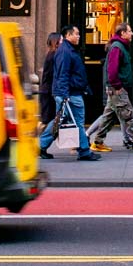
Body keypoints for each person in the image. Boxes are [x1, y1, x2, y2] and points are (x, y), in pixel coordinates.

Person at [88, 23, 133, 154]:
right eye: (130, 31)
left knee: (109, 117)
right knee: (128, 114)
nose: (132, 33)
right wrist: (117, 85)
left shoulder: (119, 47)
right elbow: (112, 70)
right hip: (117, 88)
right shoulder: (117, 48)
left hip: (115, 87)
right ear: (122, 33)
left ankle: (98, 142)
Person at [41, 24, 100, 162]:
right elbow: (63, 74)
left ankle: (41, 145)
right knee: (76, 122)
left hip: (70, 93)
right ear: (68, 35)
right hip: (70, 94)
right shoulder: (65, 52)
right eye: (76, 34)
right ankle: (84, 151)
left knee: (60, 120)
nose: (79, 36)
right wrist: (64, 96)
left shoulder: (67, 50)